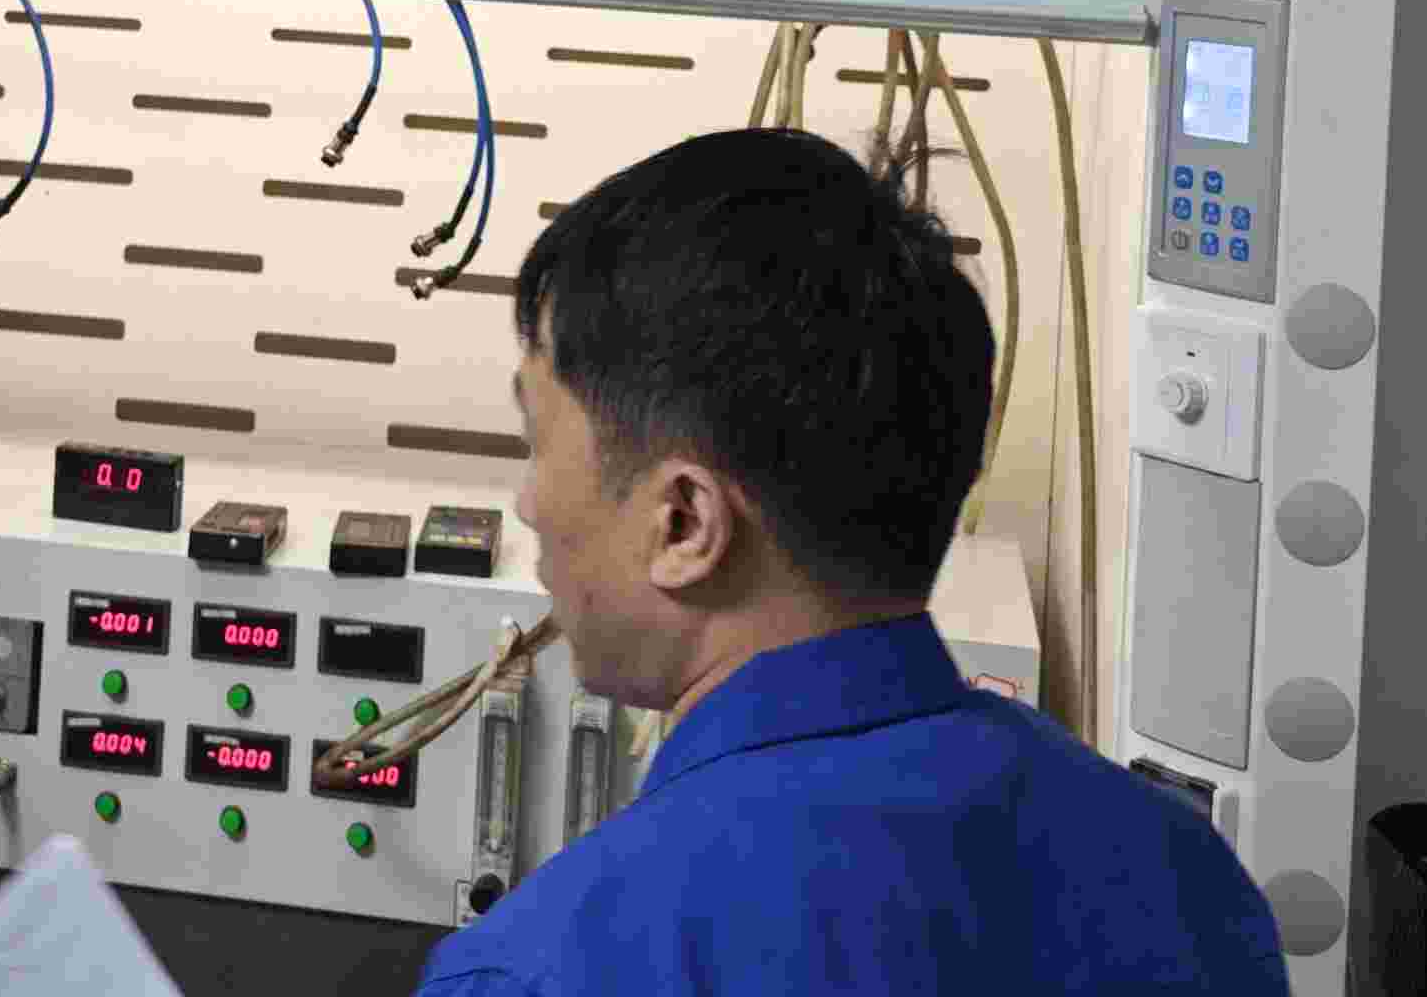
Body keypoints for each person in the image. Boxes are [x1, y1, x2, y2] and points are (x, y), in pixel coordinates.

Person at [417, 126, 1282, 996]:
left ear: (683, 524)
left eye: (536, 441)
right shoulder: (1188, 882)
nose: (527, 504)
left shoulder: (538, 972)